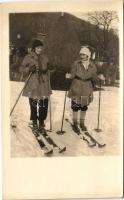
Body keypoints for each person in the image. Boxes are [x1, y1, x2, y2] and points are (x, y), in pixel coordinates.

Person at [66, 45, 105, 132]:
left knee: (83, 106)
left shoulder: (92, 66)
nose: (82, 56)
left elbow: (94, 77)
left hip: (87, 88)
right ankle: (75, 123)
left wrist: (100, 77)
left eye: (84, 55)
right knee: (75, 106)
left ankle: (82, 123)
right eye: (81, 55)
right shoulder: (76, 63)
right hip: (76, 86)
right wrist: (69, 76)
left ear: (88, 55)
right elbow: (72, 74)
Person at [20, 39, 52, 132]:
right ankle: (34, 121)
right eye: (38, 47)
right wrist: (29, 69)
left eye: (41, 47)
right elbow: (21, 68)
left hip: (43, 84)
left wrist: (51, 68)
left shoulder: (45, 58)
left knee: (43, 103)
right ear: (34, 48)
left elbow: (49, 72)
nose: (40, 49)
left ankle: (41, 121)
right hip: (33, 83)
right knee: (33, 103)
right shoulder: (28, 57)